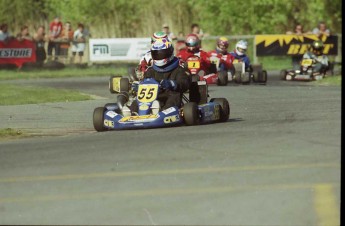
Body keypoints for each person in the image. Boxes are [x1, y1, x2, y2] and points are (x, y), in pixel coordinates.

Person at [130, 37, 190, 112]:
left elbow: (184, 83)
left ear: (169, 52)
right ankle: (133, 112)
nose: (159, 56)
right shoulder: (150, 70)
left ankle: (166, 111)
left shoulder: (178, 69)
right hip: (154, 97)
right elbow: (146, 83)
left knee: (175, 95)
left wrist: (172, 84)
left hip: (170, 95)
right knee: (138, 99)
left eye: (161, 54)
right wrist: (140, 87)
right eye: (156, 54)